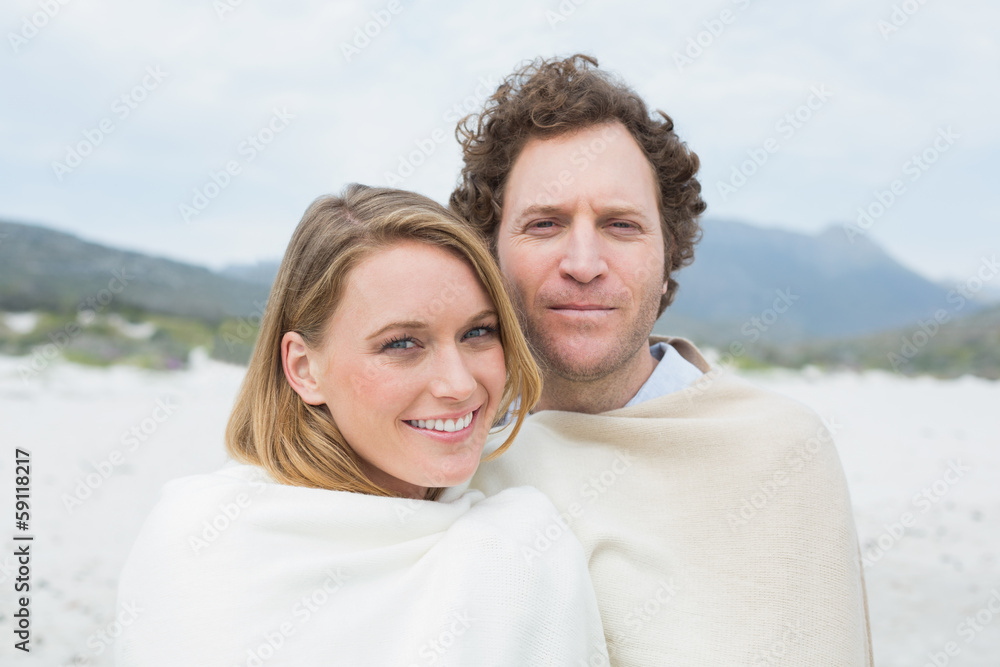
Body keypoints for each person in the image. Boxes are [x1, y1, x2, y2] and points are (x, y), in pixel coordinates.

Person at [451, 54, 874, 665]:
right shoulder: (454, 457)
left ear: (668, 252)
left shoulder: (782, 452)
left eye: (621, 225)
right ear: (488, 251)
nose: (584, 263)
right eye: (544, 224)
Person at [116, 185, 609, 666]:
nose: (459, 384)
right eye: (402, 344)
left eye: (478, 332)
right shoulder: (201, 540)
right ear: (305, 369)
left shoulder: (523, 538)